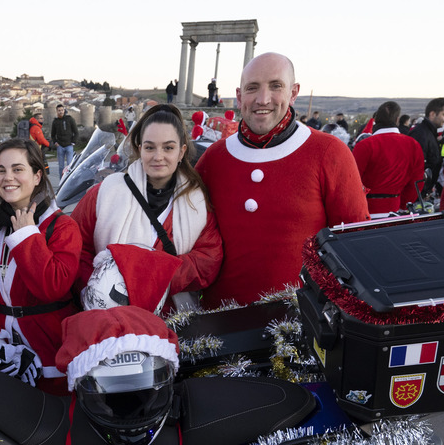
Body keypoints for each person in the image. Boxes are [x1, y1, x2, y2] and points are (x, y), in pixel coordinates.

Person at [195, 52, 369, 305]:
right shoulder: (214, 157)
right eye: (252, 88)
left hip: (303, 321)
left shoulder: (329, 152)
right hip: (219, 320)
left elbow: (354, 243)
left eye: (276, 86)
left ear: (293, 92)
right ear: (240, 95)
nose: (262, 99)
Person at [72, 103, 222, 311]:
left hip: (172, 319)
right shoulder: (104, 193)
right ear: (140, 149)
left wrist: (149, 275)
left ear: (181, 152)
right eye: (150, 147)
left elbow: (208, 259)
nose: (158, 156)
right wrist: (102, 282)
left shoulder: (195, 203)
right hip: (108, 314)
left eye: (168, 148)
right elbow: (75, 248)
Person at [0, 140, 80, 394]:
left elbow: (52, 286)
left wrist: (28, 235)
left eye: (18, 169)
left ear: (37, 175)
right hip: (5, 353)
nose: (8, 178)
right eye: (0, 170)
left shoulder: (62, 227)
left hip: (51, 353)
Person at [351, 101, 425, 217]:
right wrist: (403, 205)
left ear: (376, 120)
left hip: (365, 211)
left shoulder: (364, 145)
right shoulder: (413, 145)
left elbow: (352, 181)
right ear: (397, 119)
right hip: (395, 210)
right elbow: (416, 181)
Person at [411, 97, 444, 191]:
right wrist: (423, 190)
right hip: (417, 193)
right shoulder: (421, 134)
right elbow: (417, 167)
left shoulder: (430, 133)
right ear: (432, 114)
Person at [50, 104, 79, 175]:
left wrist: (73, 142)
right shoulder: (55, 121)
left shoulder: (69, 119)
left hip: (69, 145)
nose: (60, 112)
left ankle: (69, 182)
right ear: (56, 111)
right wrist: (55, 142)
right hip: (60, 146)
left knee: (70, 166)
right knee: (61, 167)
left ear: (64, 110)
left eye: (62, 110)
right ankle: (61, 182)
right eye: (59, 110)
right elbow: (53, 134)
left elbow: (76, 132)